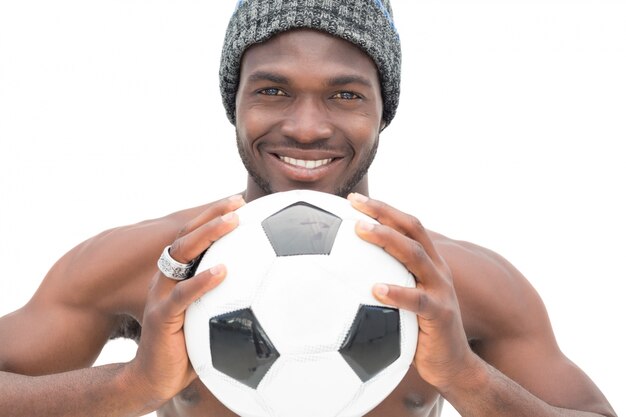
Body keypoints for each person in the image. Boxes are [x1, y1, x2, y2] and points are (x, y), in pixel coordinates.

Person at [0, 0, 618, 416]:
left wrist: (468, 378)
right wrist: (132, 385)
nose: (306, 127)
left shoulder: (458, 283)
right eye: (272, 91)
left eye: (345, 95)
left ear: (383, 111)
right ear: (234, 104)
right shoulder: (148, 265)